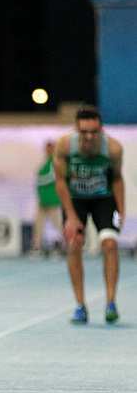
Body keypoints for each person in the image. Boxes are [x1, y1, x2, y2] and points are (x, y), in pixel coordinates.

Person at [53, 106, 124, 324]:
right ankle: (80, 305)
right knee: (75, 244)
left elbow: (117, 179)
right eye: (85, 132)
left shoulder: (113, 149)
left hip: (103, 198)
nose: (90, 137)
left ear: (101, 129)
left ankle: (111, 303)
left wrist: (122, 210)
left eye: (94, 132)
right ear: (77, 129)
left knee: (110, 244)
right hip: (76, 200)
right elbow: (61, 181)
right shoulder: (65, 146)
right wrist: (71, 216)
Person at [32, 140, 62, 254]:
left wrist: (39, 180)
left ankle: (70, 244)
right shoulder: (45, 161)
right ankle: (36, 247)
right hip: (42, 199)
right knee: (38, 224)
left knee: (58, 224)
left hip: (52, 199)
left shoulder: (55, 161)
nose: (48, 150)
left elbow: (52, 177)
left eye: (50, 148)